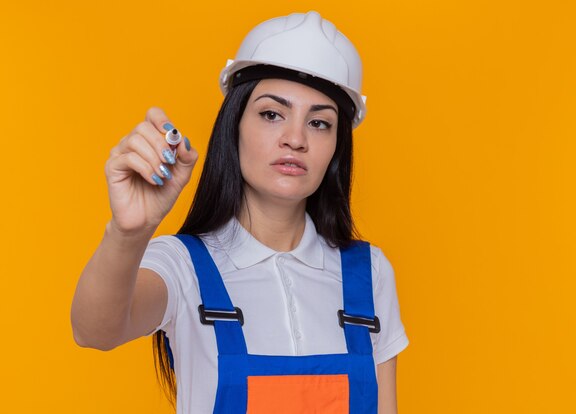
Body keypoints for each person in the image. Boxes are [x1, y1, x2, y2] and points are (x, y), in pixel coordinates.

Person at [71, 10, 408, 414]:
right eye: (271, 114)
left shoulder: (369, 273)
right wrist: (128, 233)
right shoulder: (183, 266)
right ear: (234, 126)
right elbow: (95, 330)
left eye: (319, 123)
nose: (295, 139)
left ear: (338, 147)